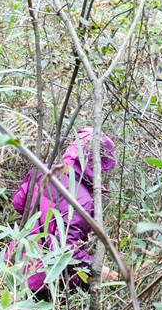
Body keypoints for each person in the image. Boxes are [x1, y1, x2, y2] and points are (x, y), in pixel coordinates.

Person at [7, 127, 119, 298]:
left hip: (13, 262)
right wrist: (100, 269)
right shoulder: (82, 199)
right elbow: (64, 251)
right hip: (45, 281)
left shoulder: (40, 170)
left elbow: (17, 204)